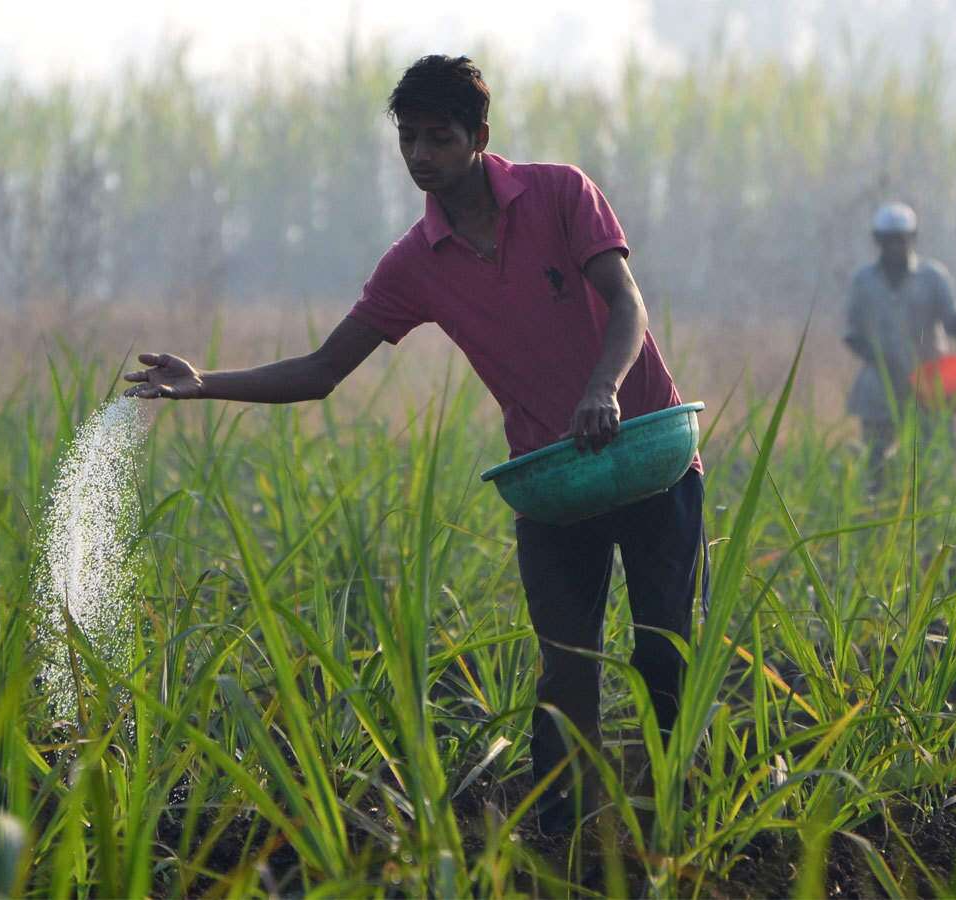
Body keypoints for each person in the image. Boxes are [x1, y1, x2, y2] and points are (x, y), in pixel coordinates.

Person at [124, 55, 704, 835]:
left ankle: (670, 822)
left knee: (663, 656)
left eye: (439, 137)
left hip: (648, 454)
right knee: (566, 670)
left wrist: (602, 389)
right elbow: (324, 370)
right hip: (556, 479)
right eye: (409, 139)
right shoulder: (414, 264)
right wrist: (205, 382)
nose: (421, 155)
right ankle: (561, 842)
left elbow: (627, 303)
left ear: (479, 138)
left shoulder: (562, 192)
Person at [843, 202, 956, 484]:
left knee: (939, 460)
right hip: (880, 386)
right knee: (875, 463)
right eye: (888, 240)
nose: (895, 247)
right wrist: (883, 361)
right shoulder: (863, 281)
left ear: (912, 239)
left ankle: (930, 518)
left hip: (929, 384)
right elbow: (853, 335)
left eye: (901, 239)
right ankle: (877, 514)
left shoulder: (933, 278)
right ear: (877, 241)